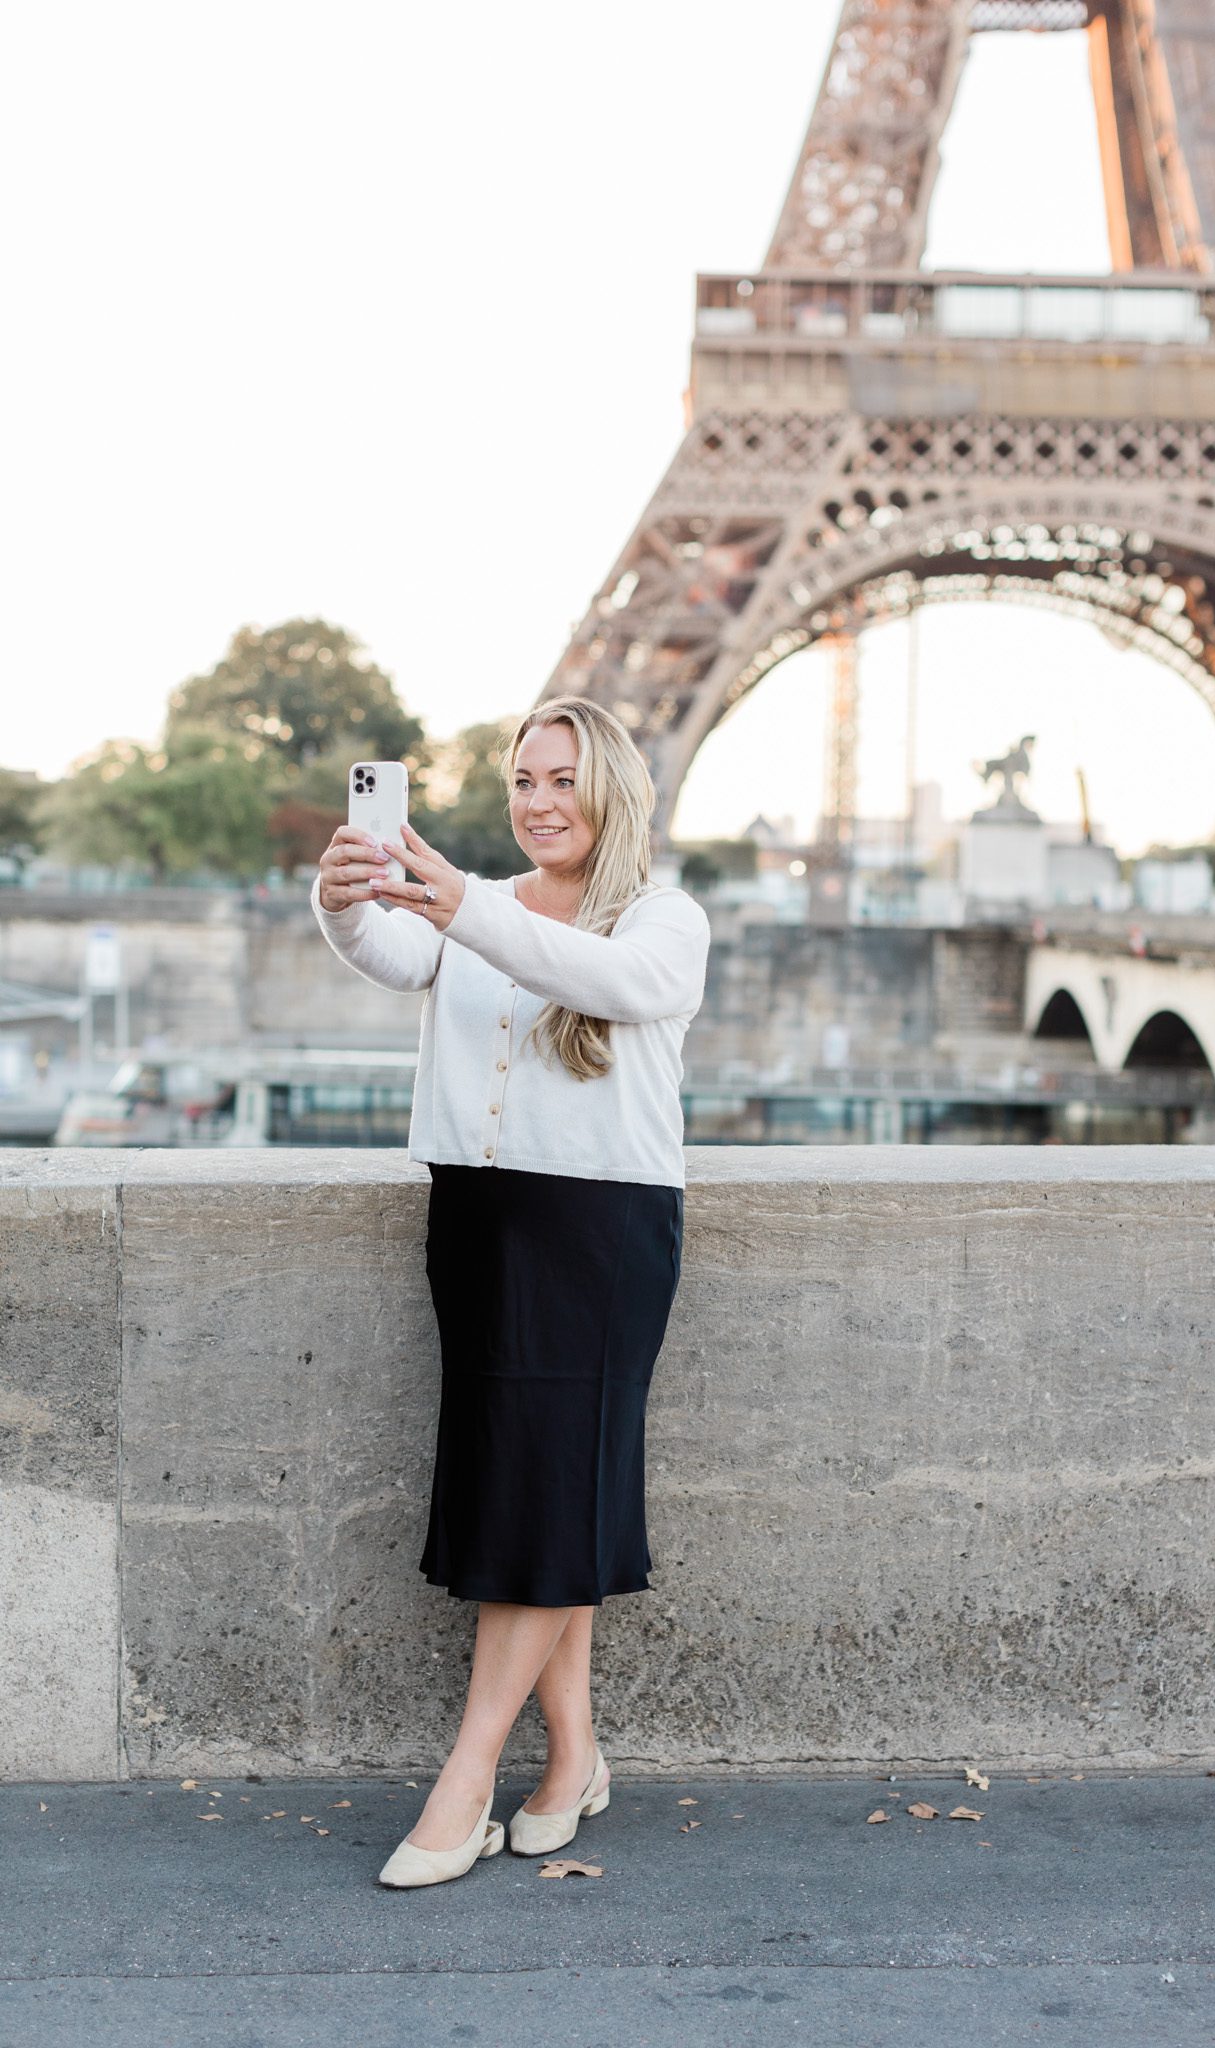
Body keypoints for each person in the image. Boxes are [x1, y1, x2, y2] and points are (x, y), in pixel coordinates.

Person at [310, 695, 710, 1889]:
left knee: (545, 1489)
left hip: (599, 1233)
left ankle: (469, 1769)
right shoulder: (474, 903)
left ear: (613, 790)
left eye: (561, 778)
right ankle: (575, 1754)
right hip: (478, 1219)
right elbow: (393, 954)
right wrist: (344, 900)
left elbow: (596, 974)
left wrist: (462, 904)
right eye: (524, 779)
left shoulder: (663, 920)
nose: (538, 800)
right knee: (535, 1491)